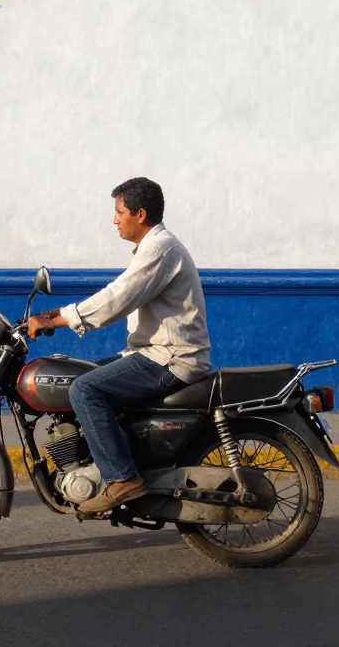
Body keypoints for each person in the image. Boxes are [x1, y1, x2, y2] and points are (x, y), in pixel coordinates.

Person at [27, 177, 211, 514]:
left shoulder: (160, 249)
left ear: (140, 214)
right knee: (83, 374)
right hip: (153, 352)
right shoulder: (154, 247)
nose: (115, 219)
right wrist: (52, 315)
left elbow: (117, 298)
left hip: (170, 358)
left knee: (84, 390)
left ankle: (123, 479)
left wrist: (56, 319)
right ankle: (111, 462)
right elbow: (118, 294)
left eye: (119, 211)